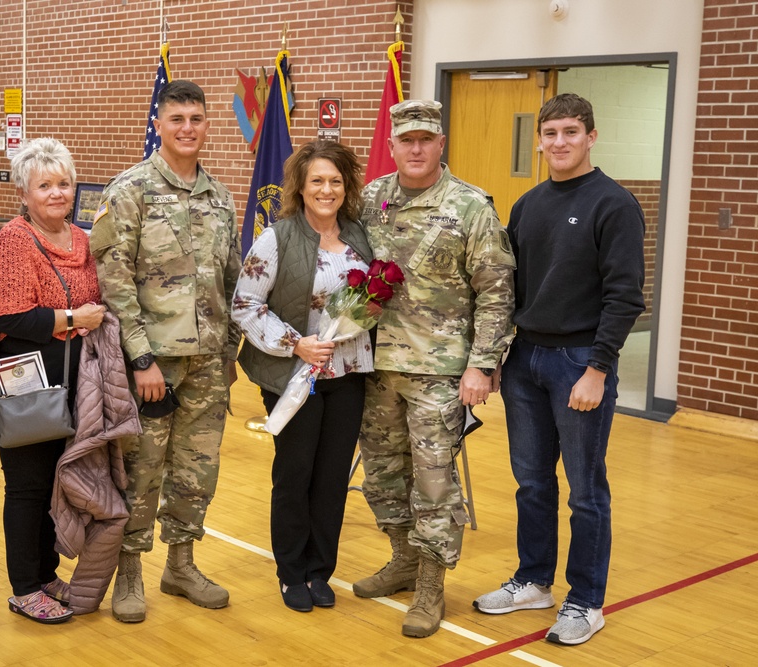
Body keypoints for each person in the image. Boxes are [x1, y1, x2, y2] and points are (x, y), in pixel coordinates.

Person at [473, 93, 645, 646]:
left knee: (585, 489)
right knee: (531, 481)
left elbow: (624, 297)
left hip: (579, 363)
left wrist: (598, 368)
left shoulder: (614, 204)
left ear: (591, 136)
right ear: (540, 139)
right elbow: (510, 290)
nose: (560, 142)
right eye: (550, 133)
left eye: (571, 132)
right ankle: (534, 581)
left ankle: (585, 600)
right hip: (526, 360)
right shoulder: (528, 204)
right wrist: (500, 358)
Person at [355, 99, 516, 638]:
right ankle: (402, 557)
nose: (416, 148)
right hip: (375, 368)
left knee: (434, 484)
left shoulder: (470, 207)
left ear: (440, 142)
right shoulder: (372, 199)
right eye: (407, 139)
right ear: (394, 145)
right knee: (382, 474)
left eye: (426, 138)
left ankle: (430, 585)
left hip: (440, 373)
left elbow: (496, 294)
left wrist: (482, 365)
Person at [88, 80, 241, 623]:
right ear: (159, 124)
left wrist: (229, 351)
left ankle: (181, 564)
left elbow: (231, 278)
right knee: (142, 468)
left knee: (197, 470)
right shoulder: (129, 190)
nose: (188, 128)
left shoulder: (221, 196)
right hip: (152, 362)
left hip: (208, 363)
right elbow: (114, 280)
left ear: (206, 125)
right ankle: (128, 571)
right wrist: (140, 358)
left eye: (197, 119)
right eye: (177, 119)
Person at [233, 140, 374, 612]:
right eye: (317, 180)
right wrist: (296, 343)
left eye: (335, 180)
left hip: (348, 374)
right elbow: (245, 305)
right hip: (294, 377)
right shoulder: (278, 238)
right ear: (301, 185)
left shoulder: (359, 236)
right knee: (295, 474)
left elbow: (374, 298)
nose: (326, 189)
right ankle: (292, 572)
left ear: (346, 186)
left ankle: (320, 570)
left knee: (332, 477)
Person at [0, 137, 107, 624]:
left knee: (57, 483)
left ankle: (46, 571)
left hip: (78, 383)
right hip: (27, 384)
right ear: (24, 192)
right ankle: (23, 586)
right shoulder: (15, 238)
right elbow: (9, 315)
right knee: (28, 486)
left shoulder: (82, 240)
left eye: (64, 183)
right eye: (45, 185)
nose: (57, 193)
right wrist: (74, 315)